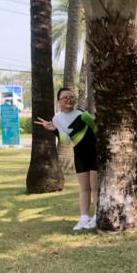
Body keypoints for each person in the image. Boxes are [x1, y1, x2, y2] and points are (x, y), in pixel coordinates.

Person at [35, 87, 98, 231]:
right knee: (84, 188)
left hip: (94, 153)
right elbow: (67, 141)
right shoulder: (56, 119)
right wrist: (54, 129)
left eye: (71, 97)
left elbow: (96, 131)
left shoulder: (83, 114)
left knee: (95, 187)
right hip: (80, 155)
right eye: (65, 98)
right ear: (59, 101)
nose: (69, 100)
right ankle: (83, 218)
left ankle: (96, 216)